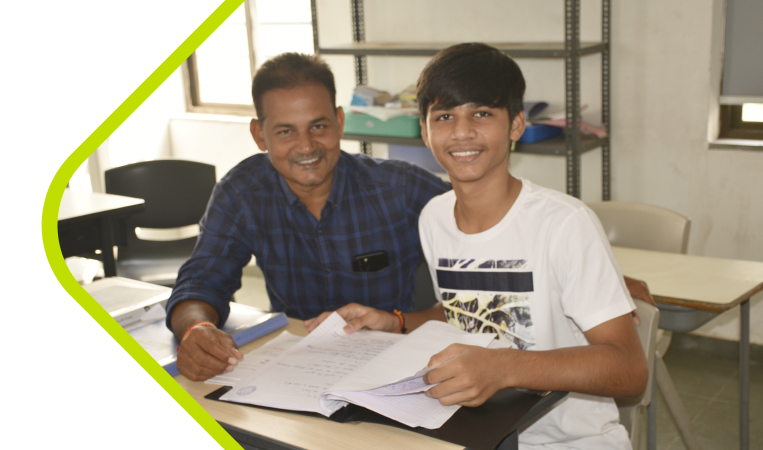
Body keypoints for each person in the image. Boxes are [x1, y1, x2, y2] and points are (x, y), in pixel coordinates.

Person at [306, 43, 647, 449]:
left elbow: (629, 369)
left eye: (482, 113)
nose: (463, 131)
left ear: (516, 125)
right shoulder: (434, 217)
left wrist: (503, 368)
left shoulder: (563, 223)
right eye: (445, 116)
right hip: (475, 431)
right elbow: (467, 312)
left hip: (569, 440)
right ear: (425, 129)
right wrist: (394, 321)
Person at [167, 52, 450, 381]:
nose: (306, 146)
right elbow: (201, 281)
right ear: (260, 135)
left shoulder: (400, 188)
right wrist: (197, 329)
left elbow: (482, 238)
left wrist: (412, 319)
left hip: (393, 366)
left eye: (318, 126)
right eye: (286, 131)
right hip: (294, 371)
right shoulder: (242, 192)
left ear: (340, 122)